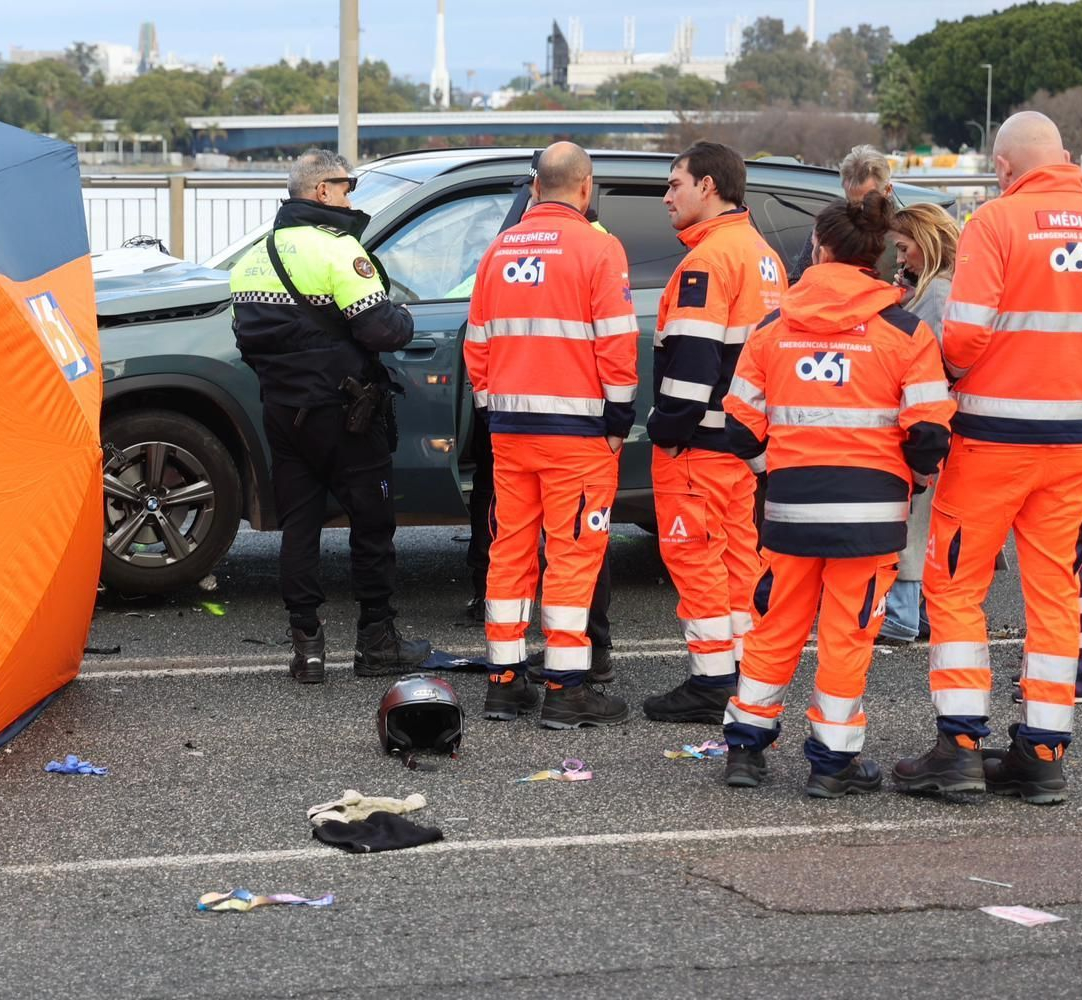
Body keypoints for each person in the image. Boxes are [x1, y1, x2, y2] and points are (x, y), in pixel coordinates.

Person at [893, 112, 1082, 803]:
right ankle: (1043, 753)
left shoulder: (996, 222)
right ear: (1067, 159)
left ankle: (958, 749)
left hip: (991, 439)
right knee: (1056, 593)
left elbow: (963, 334)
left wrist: (953, 379)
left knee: (957, 588)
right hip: (1074, 443)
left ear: (1005, 166)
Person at [720, 192, 955, 796]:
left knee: (774, 631)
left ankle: (745, 750)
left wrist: (776, 470)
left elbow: (739, 427)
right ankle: (833, 764)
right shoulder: (904, 330)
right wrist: (914, 478)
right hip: (871, 517)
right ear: (875, 256)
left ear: (820, 249)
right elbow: (929, 431)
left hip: (791, 511)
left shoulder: (773, 329)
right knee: (848, 638)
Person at [229, 148, 433, 685]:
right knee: (372, 525)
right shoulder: (339, 251)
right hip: (349, 416)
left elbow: (246, 342)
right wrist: (406, 319)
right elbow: (383, 330)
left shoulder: (253, 257)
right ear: (321, 191)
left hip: (284, 414)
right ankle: (377, 643)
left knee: (299, 527)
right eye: (346, 186)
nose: (350, 196)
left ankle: (308, 649)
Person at [464, 141, 637, 728]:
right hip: (578, 434)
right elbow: (617, 342)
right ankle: (566, 689)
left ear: (535, 187)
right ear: (585, 188)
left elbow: (477, 344)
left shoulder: (497, 250)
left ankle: (504, 681)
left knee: (509, 550)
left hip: (511, 433)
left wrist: (493, 411)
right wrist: (619, 420)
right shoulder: (598, 247)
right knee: (572, 555)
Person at [640, 141, 787, 724]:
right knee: (737, 562)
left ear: (708, 186)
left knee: (695, 559)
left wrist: (665, 429)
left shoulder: (708, 260)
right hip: (740, 443)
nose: (667, 196)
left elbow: (693, 362)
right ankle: (744, 675)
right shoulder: (763, 254)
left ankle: (710, 681)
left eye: (674, 183)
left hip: (698, 445)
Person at [876, 203, 961, 645]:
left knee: (914, 515)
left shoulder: (936, 294)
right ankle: (919, 610)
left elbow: (931, 362)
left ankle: (904, 613)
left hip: (930, 419)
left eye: (905, 247)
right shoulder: (937, 289)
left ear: (926, 245)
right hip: (942, 418)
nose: (899, 257)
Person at [788, 145, 894, 285]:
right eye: (850, 201)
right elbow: (798, 282)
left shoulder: (906, 233)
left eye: (865, 203)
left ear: (887, 190)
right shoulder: (830, 228)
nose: (858, 211)